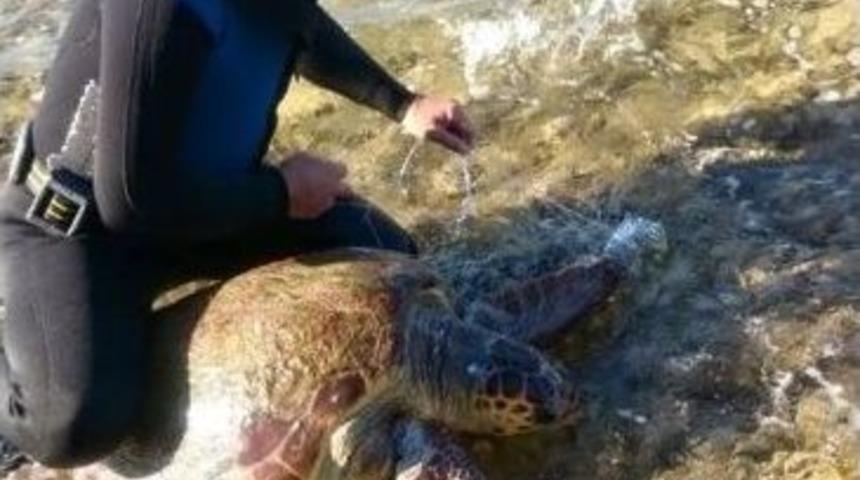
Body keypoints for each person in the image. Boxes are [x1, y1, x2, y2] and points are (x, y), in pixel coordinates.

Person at [0, 0, 475, 471]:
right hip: (77, 229)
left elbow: (293, 18)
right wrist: (283, 191)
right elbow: (129, 200)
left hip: (203, 207)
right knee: (71, 427)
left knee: (383, 253)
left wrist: (403, 103)